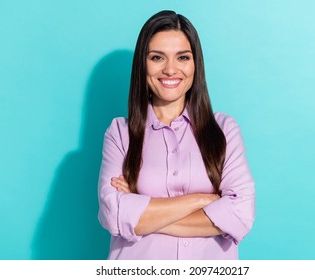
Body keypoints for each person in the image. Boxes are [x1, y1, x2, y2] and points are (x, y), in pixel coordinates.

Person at [97, 10, 255, 260]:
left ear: (195, 64)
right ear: (143, 63)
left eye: (182, 57)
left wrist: (142, 211)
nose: (170, 69)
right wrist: (202, 200)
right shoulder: (120, 133)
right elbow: (112, 215)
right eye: (157, 57)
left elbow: (241, 215)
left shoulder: (224, 129)